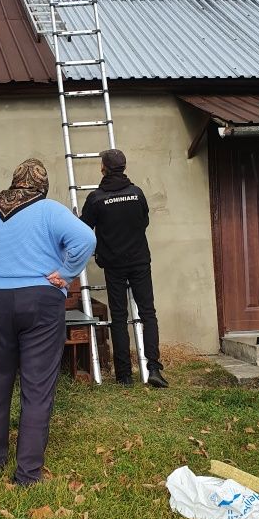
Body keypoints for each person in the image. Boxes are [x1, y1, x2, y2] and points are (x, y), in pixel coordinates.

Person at [0, 158, 96, 485]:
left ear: (14, 182)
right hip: (40, 299)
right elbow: (85, 239)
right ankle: (27, 474)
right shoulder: (50, 210)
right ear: (43, 185)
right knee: (37, 388)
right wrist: (66, 273)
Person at [80, 149, 168, 389]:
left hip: (114, 265)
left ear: (103, 168)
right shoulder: (137, 194)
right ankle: (153, 368)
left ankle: (124, 376)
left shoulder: (96, 199)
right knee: (147, 313)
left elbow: (84, 229)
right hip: (140, 261)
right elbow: (144, 221)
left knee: (119, 317)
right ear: (124, 167)